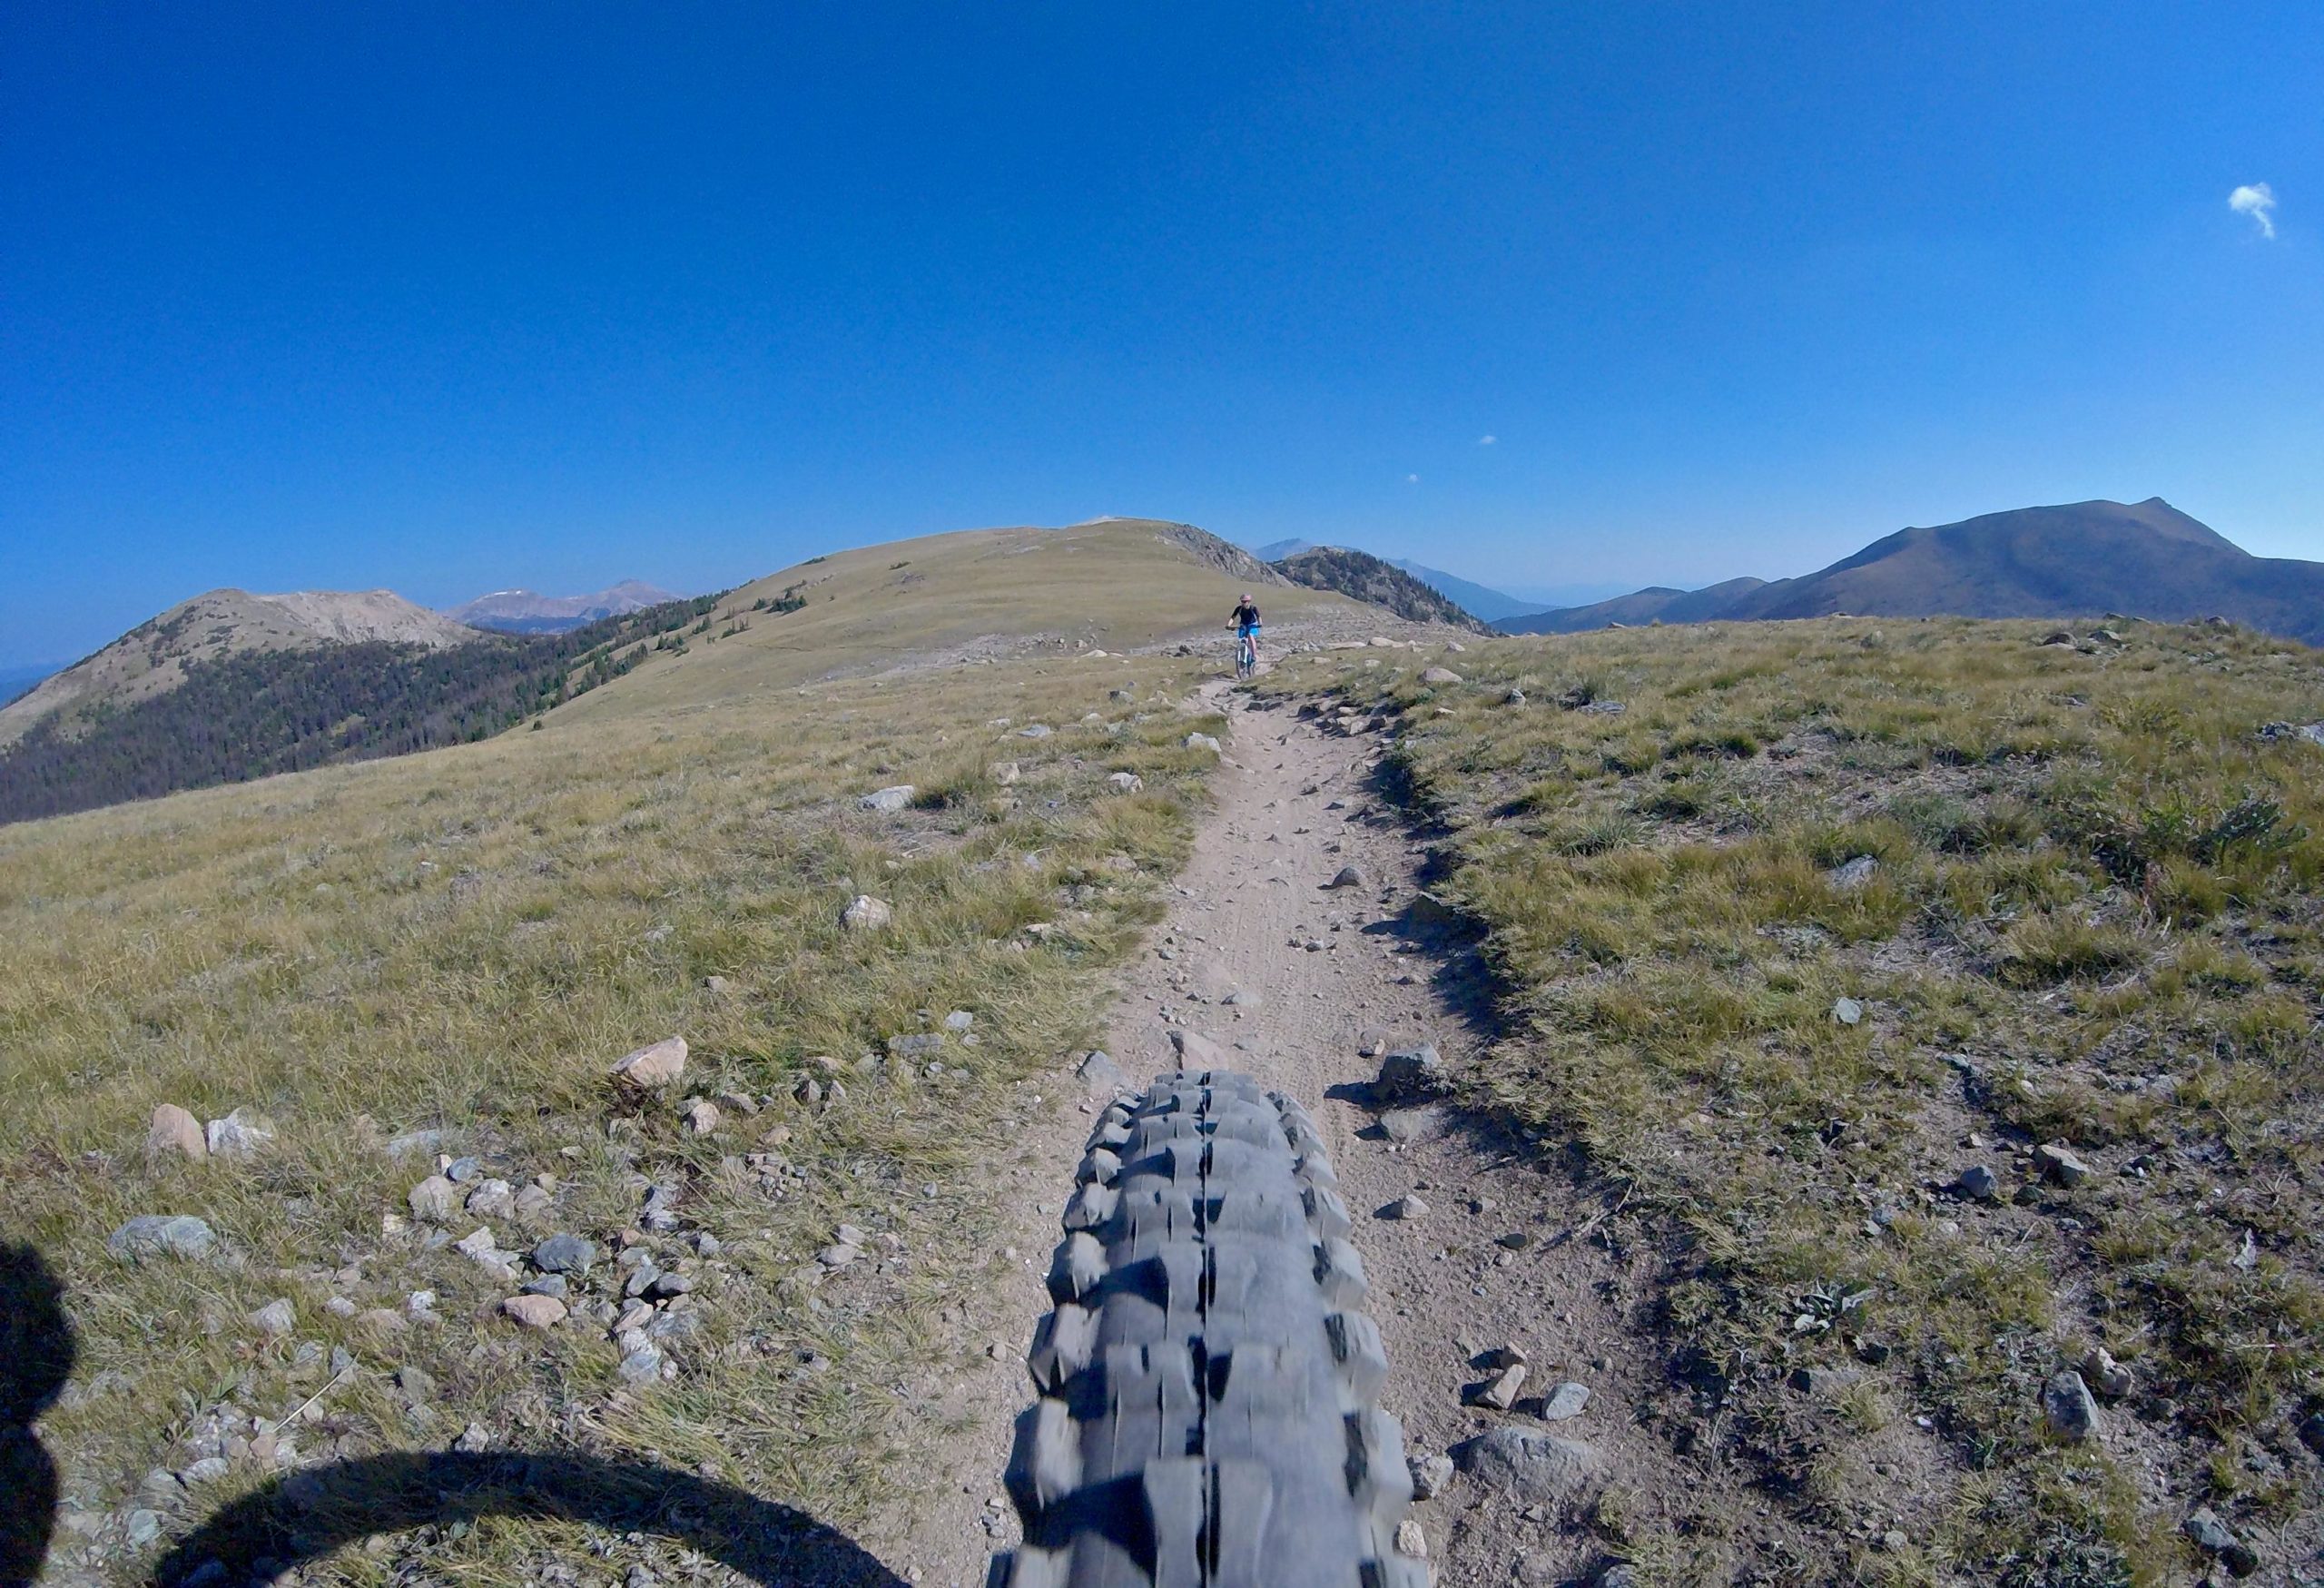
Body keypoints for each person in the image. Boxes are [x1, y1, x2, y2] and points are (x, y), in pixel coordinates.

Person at [1230, 594, 1262, 668]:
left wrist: (1260, 623)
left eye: (1245, 601)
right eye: (1242, 601)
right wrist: (1229, 625)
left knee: (1251, 636)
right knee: (1241, 641)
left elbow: (1258, 616)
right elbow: (1233, 617)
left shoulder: (1253, 608)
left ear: (1249, 602)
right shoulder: (1239, 609)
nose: (1244, 603)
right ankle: (1242, 660)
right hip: (1243, 625)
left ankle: (1253, 656)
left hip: (1253, 625)